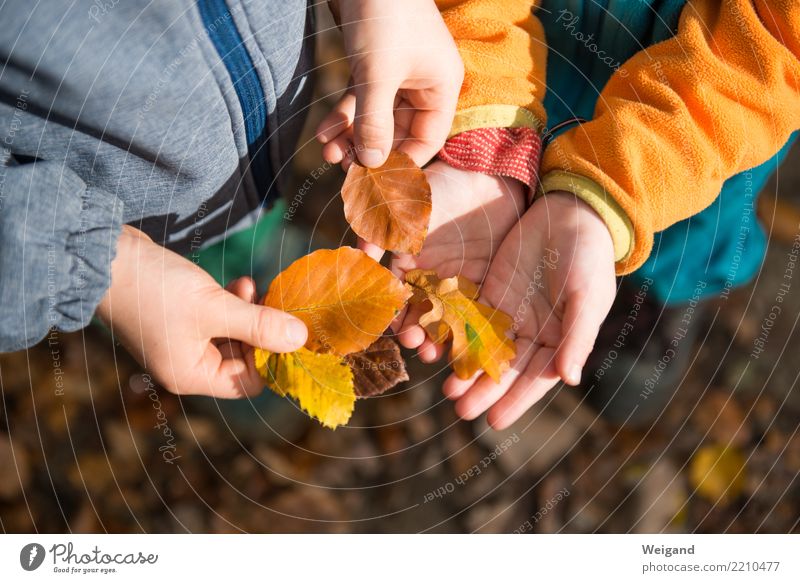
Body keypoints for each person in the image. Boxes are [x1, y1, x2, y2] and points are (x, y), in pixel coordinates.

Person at [319, 0, 800, 429]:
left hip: (714, 118)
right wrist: (487, 124)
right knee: (543, 131)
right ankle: (539, 187)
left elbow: (775, 47)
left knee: (693, 210)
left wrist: (604, 197)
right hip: (536, 48)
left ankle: (661, 293)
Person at [0, 0, 463, 397]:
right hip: (116, 220)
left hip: (257, 166)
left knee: (257, 244)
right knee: (221, 323)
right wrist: (101, 264)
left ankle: (256, 252)